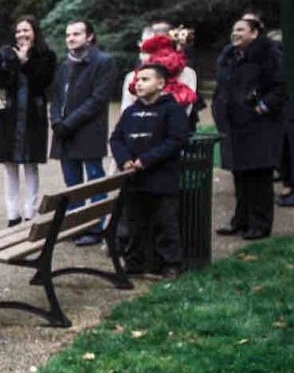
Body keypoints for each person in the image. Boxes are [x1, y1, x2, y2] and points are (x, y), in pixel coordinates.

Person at [110, 63, 191, 277]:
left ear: (161, 83)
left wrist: (146, 159)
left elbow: (176, 140)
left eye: (145, 79)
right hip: (134, 180)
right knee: (134, 223)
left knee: (165, 223)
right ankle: (135, 263)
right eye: (137, 79)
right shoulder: (130, 111)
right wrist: (124, 159)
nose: (138, 83)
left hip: (162, 179)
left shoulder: (172, 110)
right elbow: (116, 138)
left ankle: (170, 264)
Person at [212, 16, 287, 240]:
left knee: (259, 175)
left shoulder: (269, 55)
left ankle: (260, 224)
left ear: (254, 33)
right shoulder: (230, 57)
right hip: (235, 125)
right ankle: (241, 220)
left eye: (241, 30)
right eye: (234, 30)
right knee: (241, 175)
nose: (235, 34)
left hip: (259, 125)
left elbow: (280, 87)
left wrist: (262, 108)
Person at [50, 19, 120, 246]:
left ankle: (95, 227)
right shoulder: (64, 64)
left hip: (88, 130)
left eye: (77, 34)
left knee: (94, 180)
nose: (71, 38)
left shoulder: (103, 62)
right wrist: (56, 121)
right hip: (64, 131)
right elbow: (57, 97)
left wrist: (68, 123)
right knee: (72, 183)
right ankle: (76, 225)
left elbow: (97, 100)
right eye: (68, 34)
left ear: (89, 36)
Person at [0, 16, 57, 227]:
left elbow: (43, 83)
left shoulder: (46, 55)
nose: (22, 35)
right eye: (18, 31)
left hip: (32, 117)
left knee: (30, 165)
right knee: (9, 166)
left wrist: (26, 61)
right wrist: (11, 63)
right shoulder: (6, 53)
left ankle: (30, 212)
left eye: (26, 30)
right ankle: (12, 214)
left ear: (35, 32)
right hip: (9, 116)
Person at [122, 22, 198, 112]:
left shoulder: (186, 74)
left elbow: (185, 112)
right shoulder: (132, 77)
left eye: (148, 43)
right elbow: (126, 112)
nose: (142, 46)